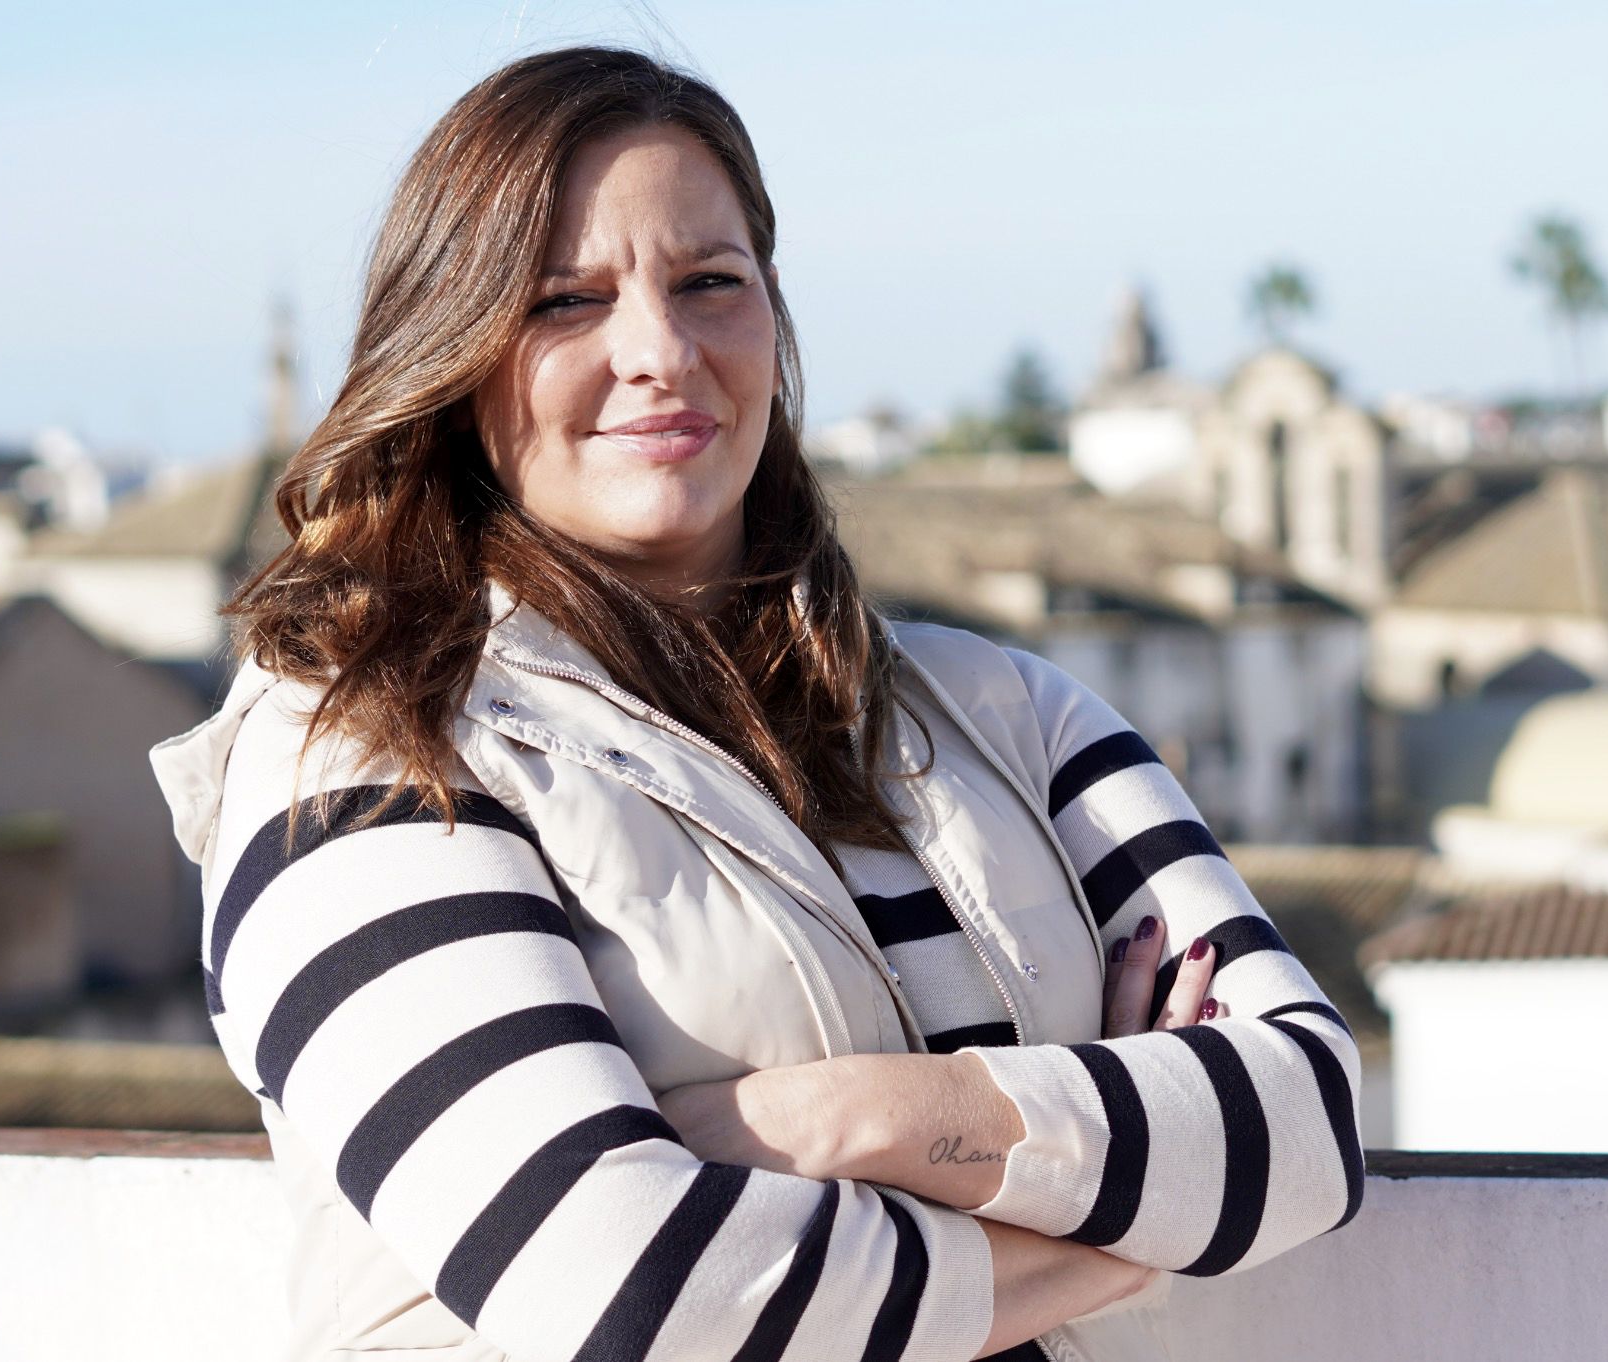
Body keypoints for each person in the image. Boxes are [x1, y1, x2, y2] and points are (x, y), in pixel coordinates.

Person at [150, 46, 1362, 1362]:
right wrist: (1117, 1207)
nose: (659, 352)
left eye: (708, 283)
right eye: (566, 300)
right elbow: (628, 1284)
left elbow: (1301, 1122)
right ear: (452, 350)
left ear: (773, 317)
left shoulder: (1007, 713)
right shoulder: (360, 752)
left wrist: (850, 1117)